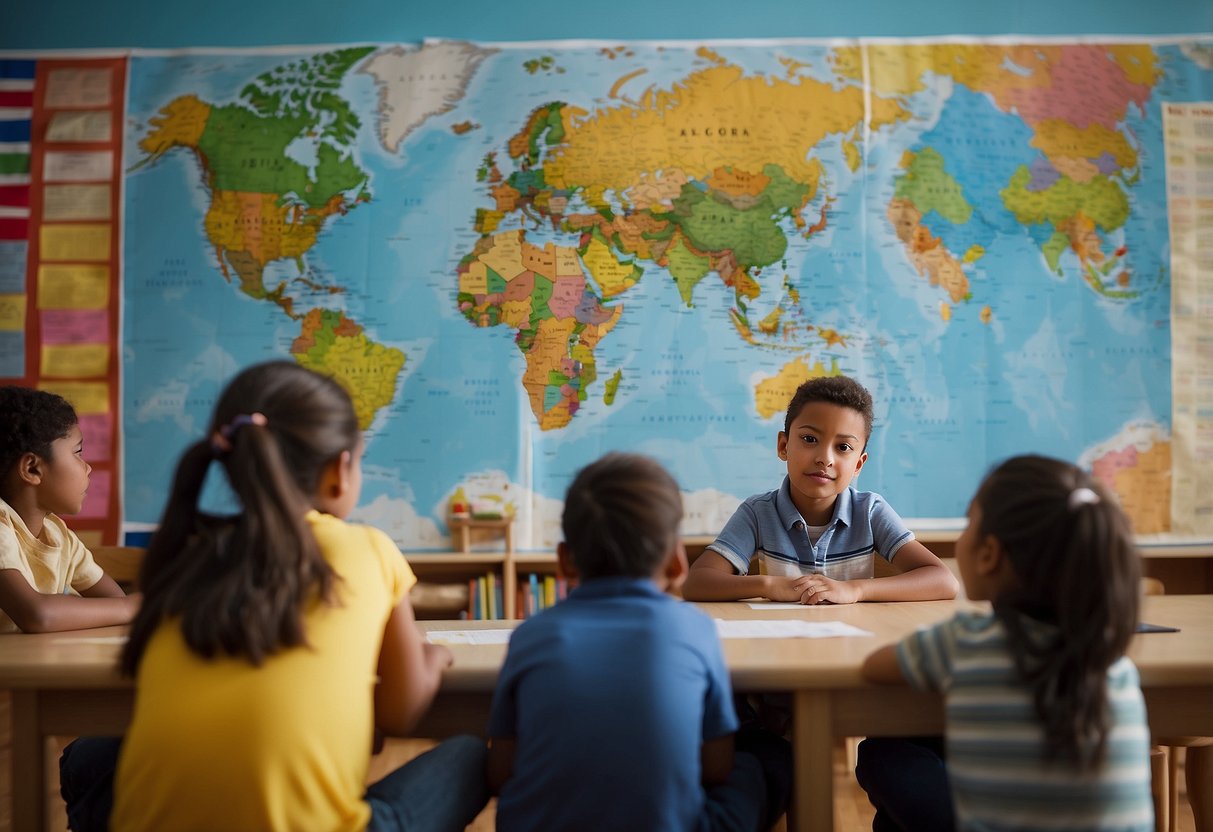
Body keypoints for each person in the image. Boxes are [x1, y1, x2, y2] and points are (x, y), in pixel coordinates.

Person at [59, 361, 488, 832]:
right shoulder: (366, 548)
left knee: (88, 756)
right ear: (340, 471)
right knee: (472, 753)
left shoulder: (187, 558)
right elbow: (401, 712)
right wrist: (433, 658)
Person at [487, 452, 791, 831]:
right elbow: (716, 767)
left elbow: (501, 773)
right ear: (677, 563)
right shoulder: (695, 630)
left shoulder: (529, 637)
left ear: (564, 561)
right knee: (770, 757)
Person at [860, 455, 1154, 831]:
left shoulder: (967, 640)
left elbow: (875, 667)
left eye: (969, 524)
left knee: (880, 750)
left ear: (989, 555)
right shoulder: (1115, 664)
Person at [681, 375, 957, 605]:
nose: (825, 458)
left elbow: (943, 580)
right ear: (783, 446)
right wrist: (767, 585)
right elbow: (696, 583)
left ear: (859, 464)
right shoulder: (758, 513)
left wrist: (855, 590)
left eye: (843, 447)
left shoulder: (870, 511)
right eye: (810, 439)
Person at [0, 385, 138, 633]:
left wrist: (126, 607)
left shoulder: (60, 537)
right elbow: (36, 615)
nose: (88, 468)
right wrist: (131, 607)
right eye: (78, 453)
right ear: (32, 469)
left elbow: (113, 604)